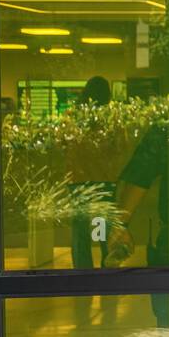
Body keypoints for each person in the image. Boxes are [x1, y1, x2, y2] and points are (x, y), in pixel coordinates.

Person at [69, 75, 114, 269]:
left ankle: (82, 270)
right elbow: (116, 147)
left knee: (80, 230)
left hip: (78, 180)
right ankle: (106, 263)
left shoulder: (74, 116)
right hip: (101, 180)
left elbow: (67, 147)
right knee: (101, 226)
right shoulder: (107, 118)